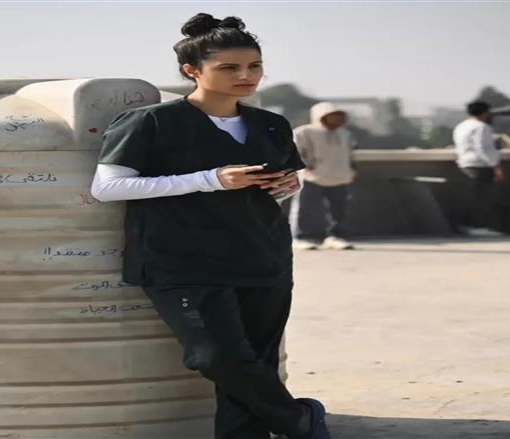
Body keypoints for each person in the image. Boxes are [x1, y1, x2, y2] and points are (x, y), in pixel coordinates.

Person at [90, 13, 331, 439]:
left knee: (256, 362)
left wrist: (286, 186)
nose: (246, 76)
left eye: (254, 66)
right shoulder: (151, 122)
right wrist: (210, 179)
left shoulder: (270, 124)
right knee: (215, 356)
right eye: (229, 67)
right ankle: (298, 420)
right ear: (192, 70)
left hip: (263, 256)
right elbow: (107, 187)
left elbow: (272, 190)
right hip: (180, 262)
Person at [289, 102, 357, 250]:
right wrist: (307, 165)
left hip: (340, 177)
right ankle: (300, 237)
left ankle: (335, 236)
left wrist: (352, 169)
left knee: (339, 210)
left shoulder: (345, 134)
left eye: (340, 116)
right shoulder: (303, 132)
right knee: (305, 209)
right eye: (333, 116)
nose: (337, 119)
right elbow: (294, 152)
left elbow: (350, 153)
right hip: (312, 176)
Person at [452, 101, 504, 235]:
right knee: (482, 198)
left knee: (472, 197)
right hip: (480, 165)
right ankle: (478, 227)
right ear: (485, 112)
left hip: (465, 162)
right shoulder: (482, 127)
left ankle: (467, 226)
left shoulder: (461, 126)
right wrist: (495, 166)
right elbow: (483, 148)